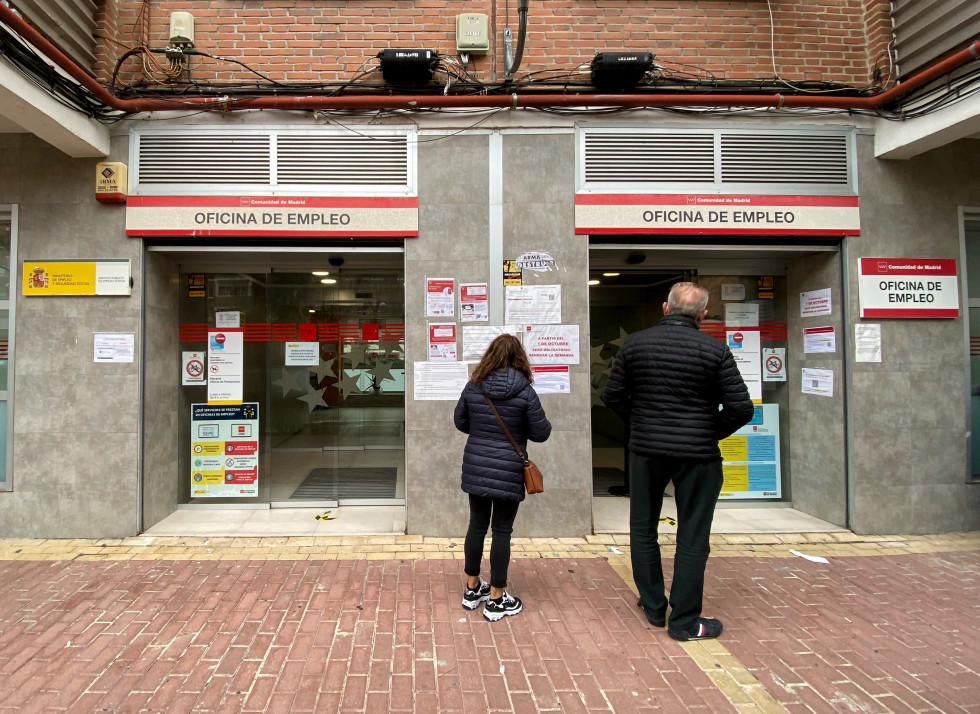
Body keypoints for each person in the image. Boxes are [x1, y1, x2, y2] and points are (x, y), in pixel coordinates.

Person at [602, 282, 753, 641]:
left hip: (646, 452)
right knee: (692, 536)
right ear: (702, 315)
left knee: (643, 528)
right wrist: (706, 431)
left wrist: (642, 425)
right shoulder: (714, 351)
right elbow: (741, 408)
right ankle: (684, 620)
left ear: (665, 308)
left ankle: (654, 606)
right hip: (698, 457)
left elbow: (613, 396)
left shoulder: (635, 345)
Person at [454, 334, 552, 621]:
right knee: (502, 531)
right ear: (519, 358)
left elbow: (460, 421)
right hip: (509, 469)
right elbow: (541, 432)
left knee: (476, 525)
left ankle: (473, 589)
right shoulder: (525, 391)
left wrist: (482, 432)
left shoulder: (474, 386)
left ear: (490, 356)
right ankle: (496, 598)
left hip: (477, 466)